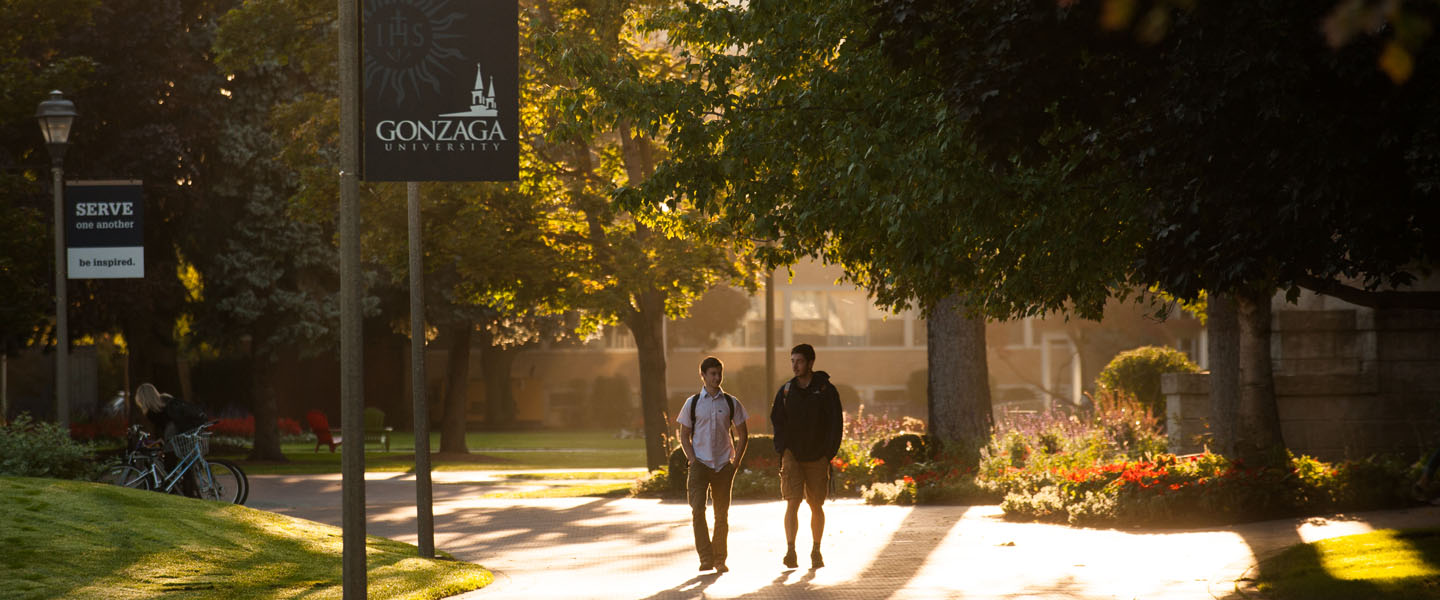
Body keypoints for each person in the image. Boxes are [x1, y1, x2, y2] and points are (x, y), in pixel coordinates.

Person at [770, 343, 843, 569]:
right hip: (792, 454)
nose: (795, 365)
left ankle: (816, 550)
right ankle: (791, 551)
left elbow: (835, 424)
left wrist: (827, 454)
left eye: (799, 361)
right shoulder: (786, 391)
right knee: (792, 502)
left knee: (815, 505)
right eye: (792, 361)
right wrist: (783, 450)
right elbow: (777, 421)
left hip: (817, 456)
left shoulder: (825, 390)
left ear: (810, 363)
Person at [676, 356, 749, 573]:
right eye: (712, 374)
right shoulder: (693, 403)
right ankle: (705, 557)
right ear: (703, 376)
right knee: (698, 509)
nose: (717, 378)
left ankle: (719, 559)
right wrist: (692, 459)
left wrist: (735, 463)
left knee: (721, 514)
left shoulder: (731, 402)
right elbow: (684, 436)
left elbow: (743, 434)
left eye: (719, 373)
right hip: (700, 464)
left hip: (723, 466)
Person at [133, 383, 208, 495]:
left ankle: (173, 491)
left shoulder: (151, 411)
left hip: (173, 434)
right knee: (186, 465)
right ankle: (188, 493)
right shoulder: (166, 398)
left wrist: (162, 444)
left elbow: (163, 427)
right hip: (185, 431)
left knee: (169, 465)